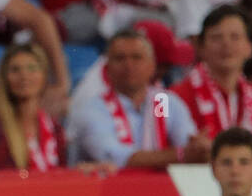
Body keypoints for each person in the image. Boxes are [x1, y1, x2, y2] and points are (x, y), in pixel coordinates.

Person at [72, 28, 208, 167]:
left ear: (152, 66)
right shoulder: (93, 109)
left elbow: (187, 143)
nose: (129, 65)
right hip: (113, 187)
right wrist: (182, 155)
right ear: (107, 68)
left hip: (162, 187)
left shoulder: (163, 101)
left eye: (137, 57)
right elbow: (116, 159)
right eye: (120, 58)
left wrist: (199, 148)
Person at [171, 3, 252, 160]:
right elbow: (163, 147)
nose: (226, 45)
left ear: (249, 47)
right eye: (216, 37)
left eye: (235, 37)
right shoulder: (173, 96)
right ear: (200, 47)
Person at [0, 41, 68, 171]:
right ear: (5, 78)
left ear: (44, 76)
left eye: (32, 68)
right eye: (15, 70)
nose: (24, 76)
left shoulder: (55, 129)